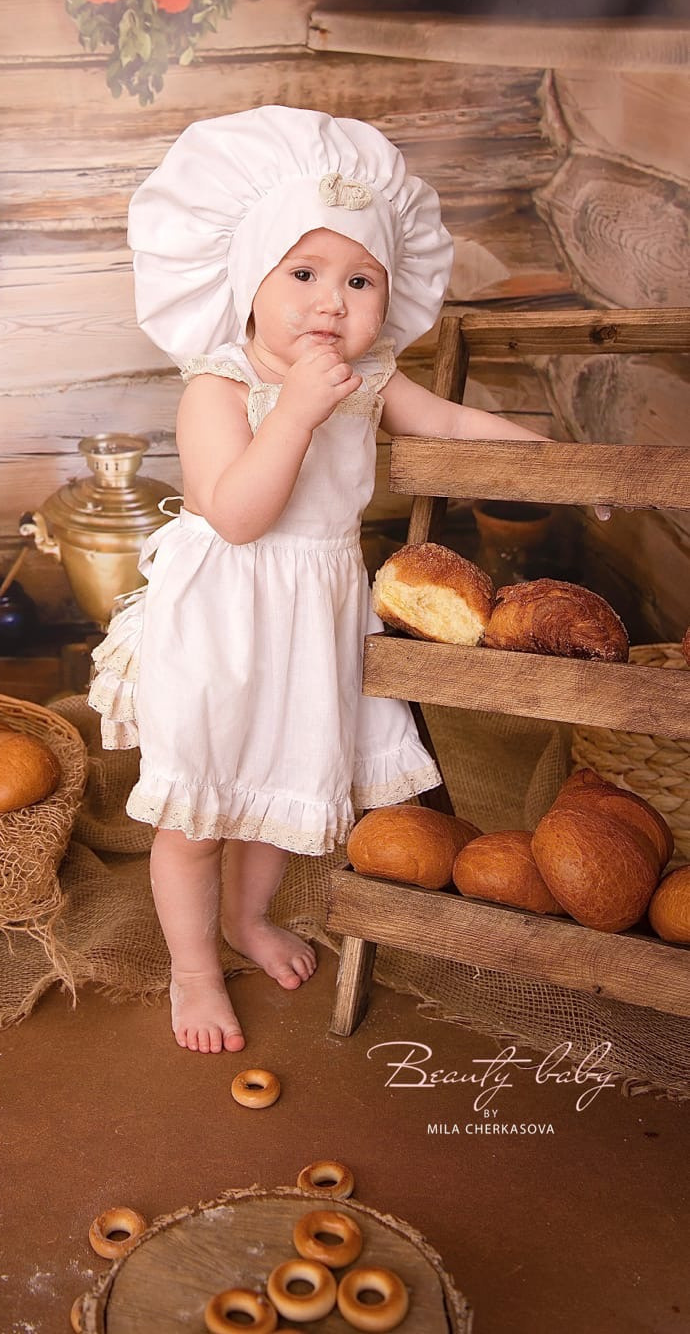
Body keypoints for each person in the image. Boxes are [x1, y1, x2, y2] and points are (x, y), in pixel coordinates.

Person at [89, 106, 548, 1056]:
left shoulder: (371, 377)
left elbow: (455, 430)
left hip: (316, 616)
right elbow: (241, 514)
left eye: (359, 280)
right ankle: (193, 968)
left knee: (279, 785)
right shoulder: (218, 389)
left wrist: (557, 464)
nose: (330, 303)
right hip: (224, 621)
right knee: (204, 805)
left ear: (390, 294)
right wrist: (293, 412)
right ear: (248, 282)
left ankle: (249, 921)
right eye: (302, 274)